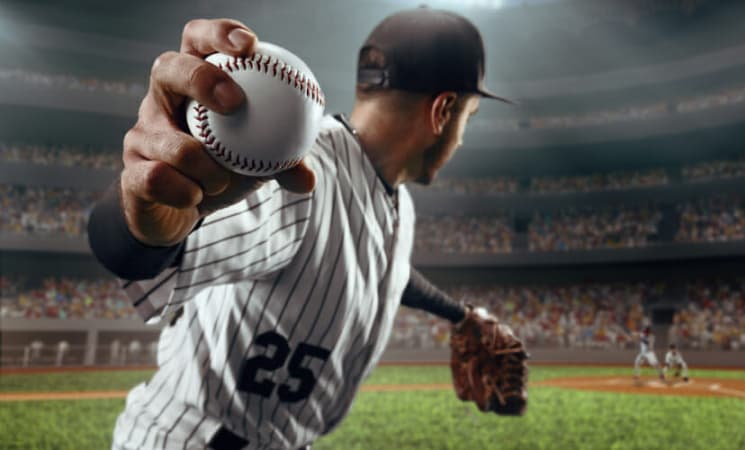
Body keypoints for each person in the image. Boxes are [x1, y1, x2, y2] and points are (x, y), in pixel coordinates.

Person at [87, 8, 522, 449]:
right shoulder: (298, 176)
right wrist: (141, 208)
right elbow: (139, 252)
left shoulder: (397, 202)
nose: (461, 137)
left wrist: (458, 314)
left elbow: (384, 268)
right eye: (469, 116)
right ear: (443, 110)